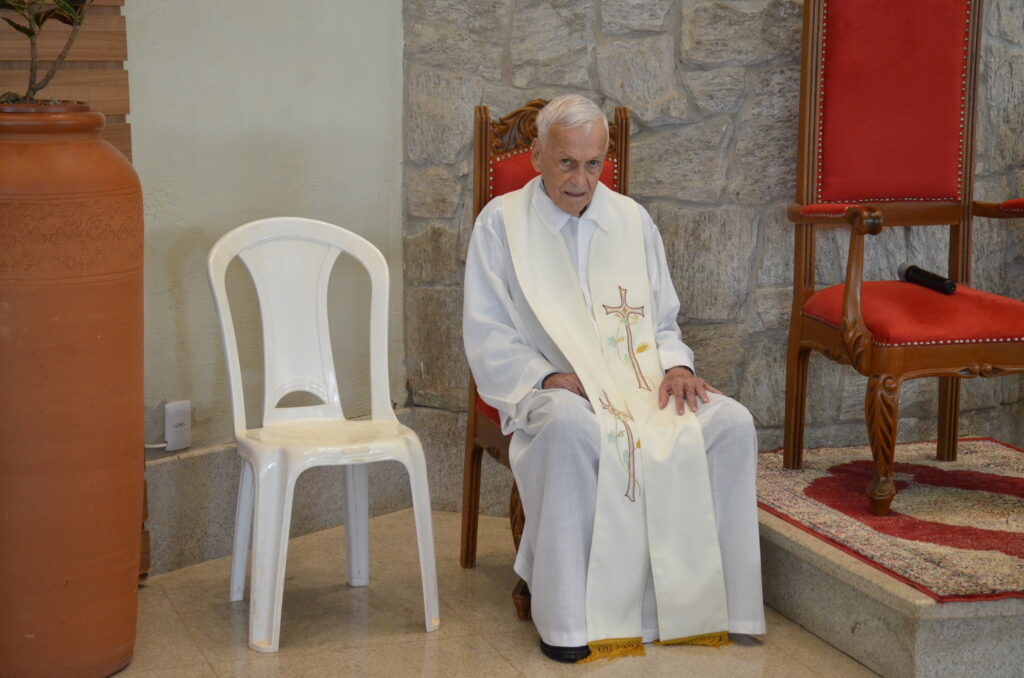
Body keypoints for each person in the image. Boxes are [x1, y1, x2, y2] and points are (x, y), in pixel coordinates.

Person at [462, 94, 765, 663]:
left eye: (593, 163)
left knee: (729, 423)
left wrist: (676, 366)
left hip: (637, 383)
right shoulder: (501, 225)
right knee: (570, 430)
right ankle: (571, 622)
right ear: (536, 157)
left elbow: (663, 319)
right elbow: (488, 332)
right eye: (566, 163)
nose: (581, 180)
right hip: (555, 391)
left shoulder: (632, 220)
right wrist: (546, 376)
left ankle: (709, 607)